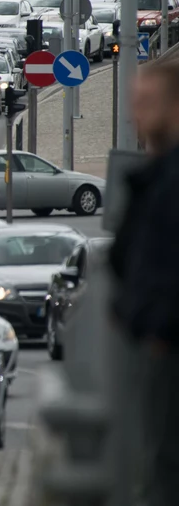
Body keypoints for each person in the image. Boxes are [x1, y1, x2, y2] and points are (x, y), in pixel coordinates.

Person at [109, 58, 179, 506]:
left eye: (147, 102)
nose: (137, 113)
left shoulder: (171, 181)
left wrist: (157, 324)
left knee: (164, 466)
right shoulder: (158, 176)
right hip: (155, 343)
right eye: (135, 103)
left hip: (167, 348)